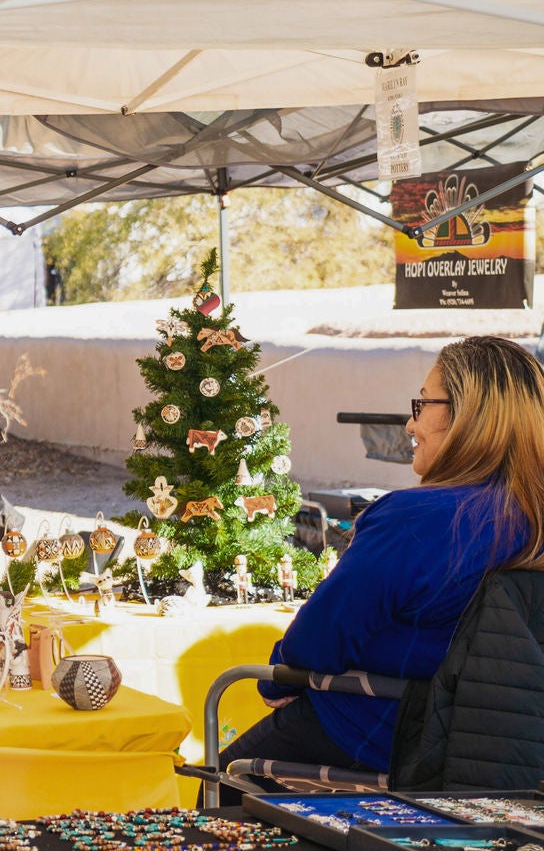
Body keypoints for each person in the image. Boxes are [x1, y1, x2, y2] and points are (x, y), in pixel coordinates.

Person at [217, 336, 544, 796]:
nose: (411, 422)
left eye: (422, 403)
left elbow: (319, 639)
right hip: (510, 751)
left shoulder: (417, 519)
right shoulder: (530, 518)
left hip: (383, 733)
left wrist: (277, 682)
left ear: (468, 413)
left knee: (220, 779)